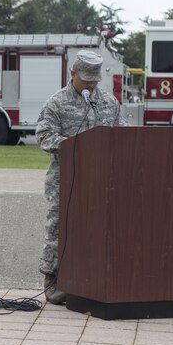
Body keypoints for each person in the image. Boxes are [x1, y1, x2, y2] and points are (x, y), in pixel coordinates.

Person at [35, 50, 126, 304]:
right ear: (72, 74)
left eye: (94, 80)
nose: (90, 84)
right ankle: (52, 280)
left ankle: (92, 280)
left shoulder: (109, 103)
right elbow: (44, 137)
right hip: (64, 180)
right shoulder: (57, 102)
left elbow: (122, 134)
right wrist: (78, 147)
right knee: (58, 228)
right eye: (85, 79)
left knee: (99, 229)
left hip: (101, 181)